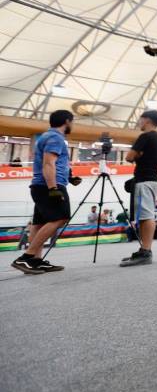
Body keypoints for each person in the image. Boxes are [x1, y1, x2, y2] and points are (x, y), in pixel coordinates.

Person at [10, 110, 82, 274]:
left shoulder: (47, 137)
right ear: (67, 121)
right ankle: (26, 257)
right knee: (61, 217)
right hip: (48, 185)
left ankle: (36, 261)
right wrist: (53, 189)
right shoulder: (56, 138)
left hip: (40, 185)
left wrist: (69, 178)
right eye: (72, 122)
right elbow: (48, 163)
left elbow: (52, 163)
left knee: (39, 223)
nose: (72, 125)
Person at [120, 110, 157, 267]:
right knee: (147, 214)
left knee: (146, 216)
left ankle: (146, 251)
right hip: (152, 180)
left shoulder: (145, 136)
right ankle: (144, 250)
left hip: (144, 180)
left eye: (140, 119)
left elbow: (129, 157)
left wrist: (138, 154)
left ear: (147, 120)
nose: (139, 122)